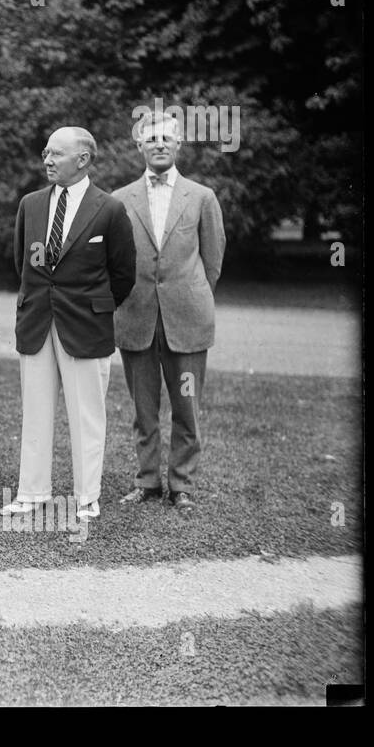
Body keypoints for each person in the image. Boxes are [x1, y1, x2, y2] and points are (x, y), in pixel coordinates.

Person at [3, 126, 136, 522]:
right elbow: (21, 263)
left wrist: (96, 307)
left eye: (57, 154)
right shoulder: (30, 204)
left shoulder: (109, 209)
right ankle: (32, 492)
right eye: (45, 152)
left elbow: (124, 273)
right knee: (35, 411)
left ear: (83, 159)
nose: (47, 159)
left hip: (87, 327)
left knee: (87, 415)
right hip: (37, 323)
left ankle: (87, 496)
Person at [114, 113, 226, 511]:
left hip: (188, 319)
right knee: (144, 409)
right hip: (136, 317)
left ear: (179, 145)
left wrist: (191, 296)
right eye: (151, 139)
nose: (159, 144)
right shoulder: (120, 199)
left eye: (167, 138)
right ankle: (146, 482)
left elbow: (212, 260)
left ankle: (181, 485)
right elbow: (114, 262)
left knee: (186, 405)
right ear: (140, 146)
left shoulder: (201, 196)